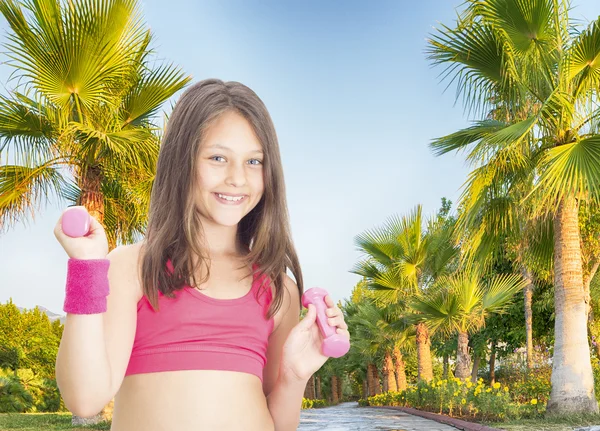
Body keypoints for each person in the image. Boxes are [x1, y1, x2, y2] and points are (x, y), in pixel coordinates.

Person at [53, 79, 350, 431]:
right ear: (182, 162)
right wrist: (86, 268)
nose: (237, 178)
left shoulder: (278, 290)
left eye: (254, 161)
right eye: (218, 158)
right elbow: (84, 398)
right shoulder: (135, 268)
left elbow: (280, 425)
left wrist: (295, 374)